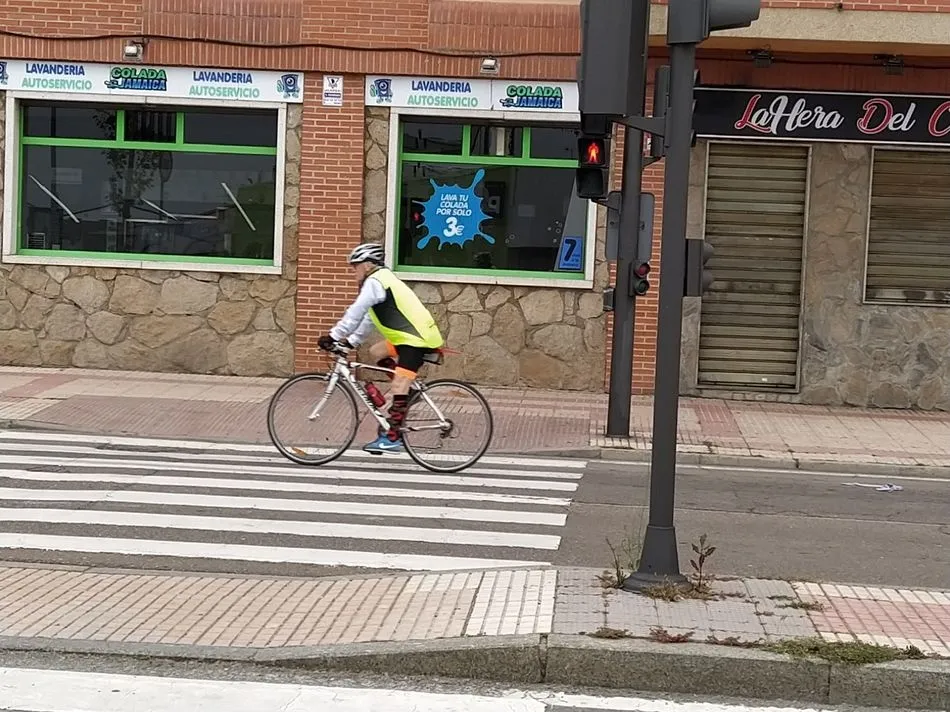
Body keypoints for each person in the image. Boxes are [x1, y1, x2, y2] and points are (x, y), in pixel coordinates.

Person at [318, 242, 444, 454]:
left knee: (398, 386)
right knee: (376, 352)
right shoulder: (381, 280)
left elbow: (355, 311)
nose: (353, 272)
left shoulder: (375, 281)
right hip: (408, 338)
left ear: (367, 265)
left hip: (415, 340)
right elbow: (368, 318)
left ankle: (393, 438)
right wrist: (352, 342)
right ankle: (410, 391)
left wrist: (333, 336)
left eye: (355, 266)